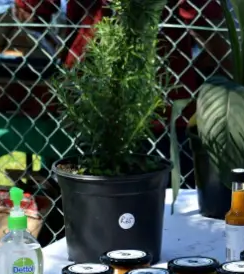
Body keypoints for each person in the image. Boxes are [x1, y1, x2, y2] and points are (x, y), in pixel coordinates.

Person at [15, 0, 231, 186]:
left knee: (87, 195)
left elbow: (30, 12)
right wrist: (229, 64)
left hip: (98, 90)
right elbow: (200, 15)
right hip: (156, 94)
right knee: (167, 204)